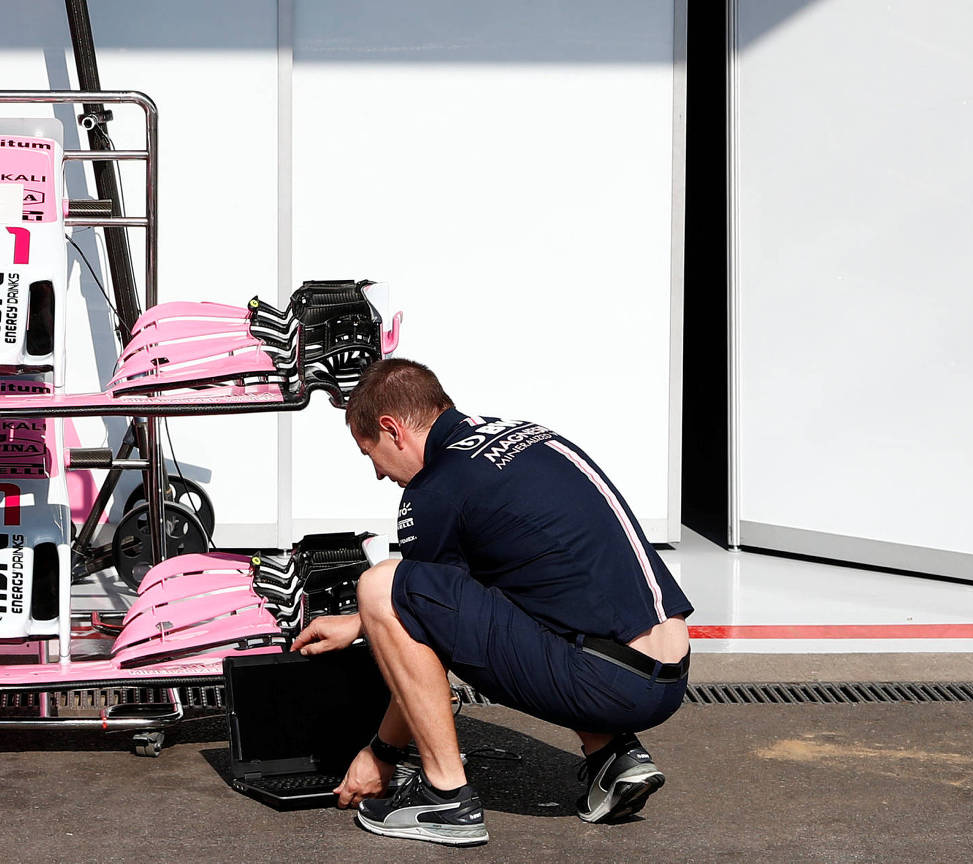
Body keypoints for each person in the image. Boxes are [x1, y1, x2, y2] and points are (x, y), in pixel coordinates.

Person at [293, 358, 691, 846]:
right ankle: (613, 756)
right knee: (504, 584)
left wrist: (381, 753)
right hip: (666, 667)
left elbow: (418, 624)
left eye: (368, 453)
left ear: (392, 429)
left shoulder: (435, 491)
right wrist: (359, 625)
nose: (378, 474)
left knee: (380, 584)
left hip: (610, 682)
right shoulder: (525, 436)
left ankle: (446, 799)